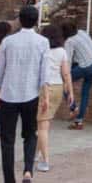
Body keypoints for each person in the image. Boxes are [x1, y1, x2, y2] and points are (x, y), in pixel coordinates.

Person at [0, 6, 50, 183]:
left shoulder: (8, 41)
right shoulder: (42, 42)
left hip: (9, 94)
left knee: (7, 140)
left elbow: (0, 69)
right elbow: (44, 73)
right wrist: (46, 96)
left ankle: (9, 181)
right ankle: (27, 171)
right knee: (30, 134)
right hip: (30, 94)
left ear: (20, 19)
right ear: (36, 21)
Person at [36, 24, 73, 173]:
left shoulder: (41, 51)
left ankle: (45, 161)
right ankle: (36, 153)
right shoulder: (61, 52)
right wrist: (70, 92)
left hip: (43, 89)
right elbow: (66, 74)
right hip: (58, 87)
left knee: (41, 127)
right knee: (44, 124)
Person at [61, 20, 92, 129]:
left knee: (63, 85)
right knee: (85, 92)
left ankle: (73, 108)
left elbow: (68, 61)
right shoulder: (82, 32)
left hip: (86, 67)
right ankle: (78, 122)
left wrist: (66, 78)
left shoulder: (69, 41)